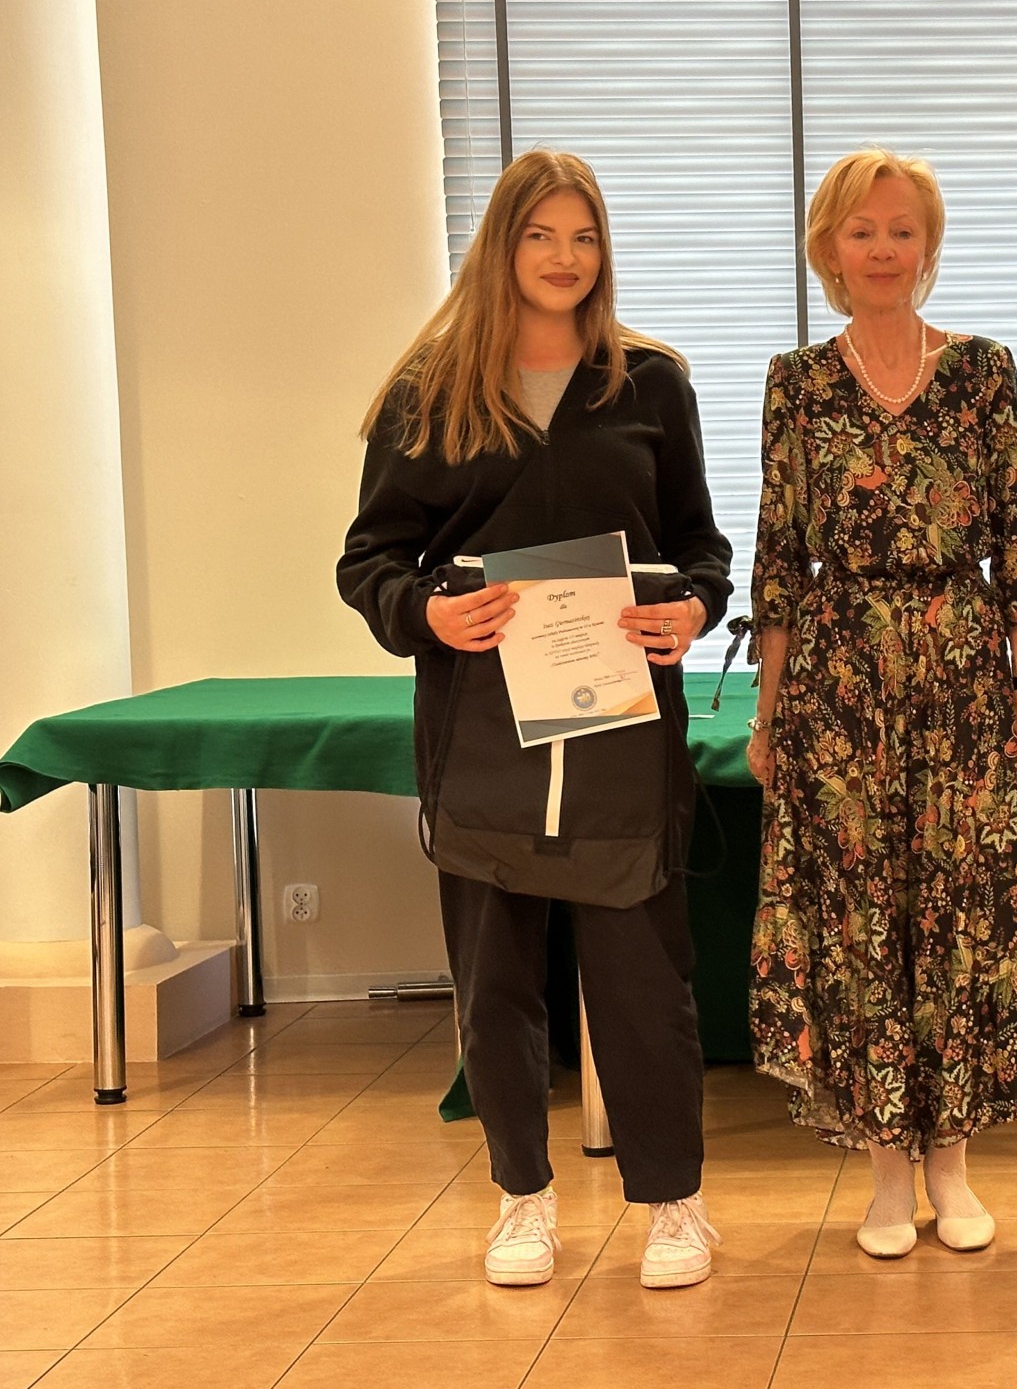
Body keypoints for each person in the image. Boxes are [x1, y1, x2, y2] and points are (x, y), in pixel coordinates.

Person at [338, 149, 732, 1290]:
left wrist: (691, 609)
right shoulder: (429, 390)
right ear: (501, 245)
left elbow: (701, 547)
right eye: (541, 235)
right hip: (482, 730)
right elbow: (369, 559)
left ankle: (673, 1204)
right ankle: (522, 1198)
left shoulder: (650, 383)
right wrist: (428, 612)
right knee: (497, 979)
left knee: (643, 980)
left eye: (585, 236)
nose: (566, 258)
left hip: (622, 724)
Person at [746, 147, 1017, 1259]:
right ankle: (886, 1170)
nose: (882, 248)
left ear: (928, 245)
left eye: (901, 229)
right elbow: (778, 561)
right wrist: (768, 716)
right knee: (859, 918)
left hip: (961, 669)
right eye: (861, 230)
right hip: (837, 682)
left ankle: (954, 1164)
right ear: (829, 249)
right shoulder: (796, 382)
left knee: (960, 911)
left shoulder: (982, 371)